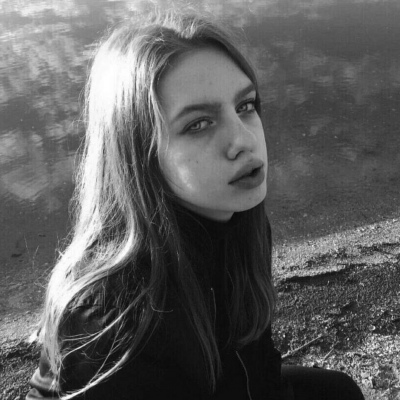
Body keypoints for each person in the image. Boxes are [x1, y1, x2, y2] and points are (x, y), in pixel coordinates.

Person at [26, 9, 365, 400]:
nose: (244, 140)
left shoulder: (239, 221)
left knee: (337, 391)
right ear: (140, 156)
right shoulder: (114, 318)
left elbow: (257, 360)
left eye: (245, 106)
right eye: (198, 124)